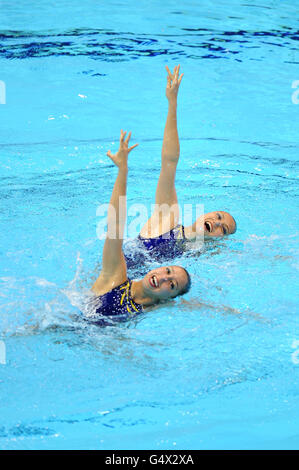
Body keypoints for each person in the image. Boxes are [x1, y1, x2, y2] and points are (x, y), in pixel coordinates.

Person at [133, 64, 237, 263]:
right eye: (218, 216)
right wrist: (173, 103)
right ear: (205, 213)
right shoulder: (168, 218)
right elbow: (169, 162)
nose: (216, 223)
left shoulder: (192, 259)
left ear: (219, 241)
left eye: (223, 229)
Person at [89, 130, 191, 324]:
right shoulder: (114, 278)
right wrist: (122, 171)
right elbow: (115, 225)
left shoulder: (151, 307)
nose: (162, 278)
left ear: (168, 298)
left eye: (171, 285)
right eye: (167, 271)